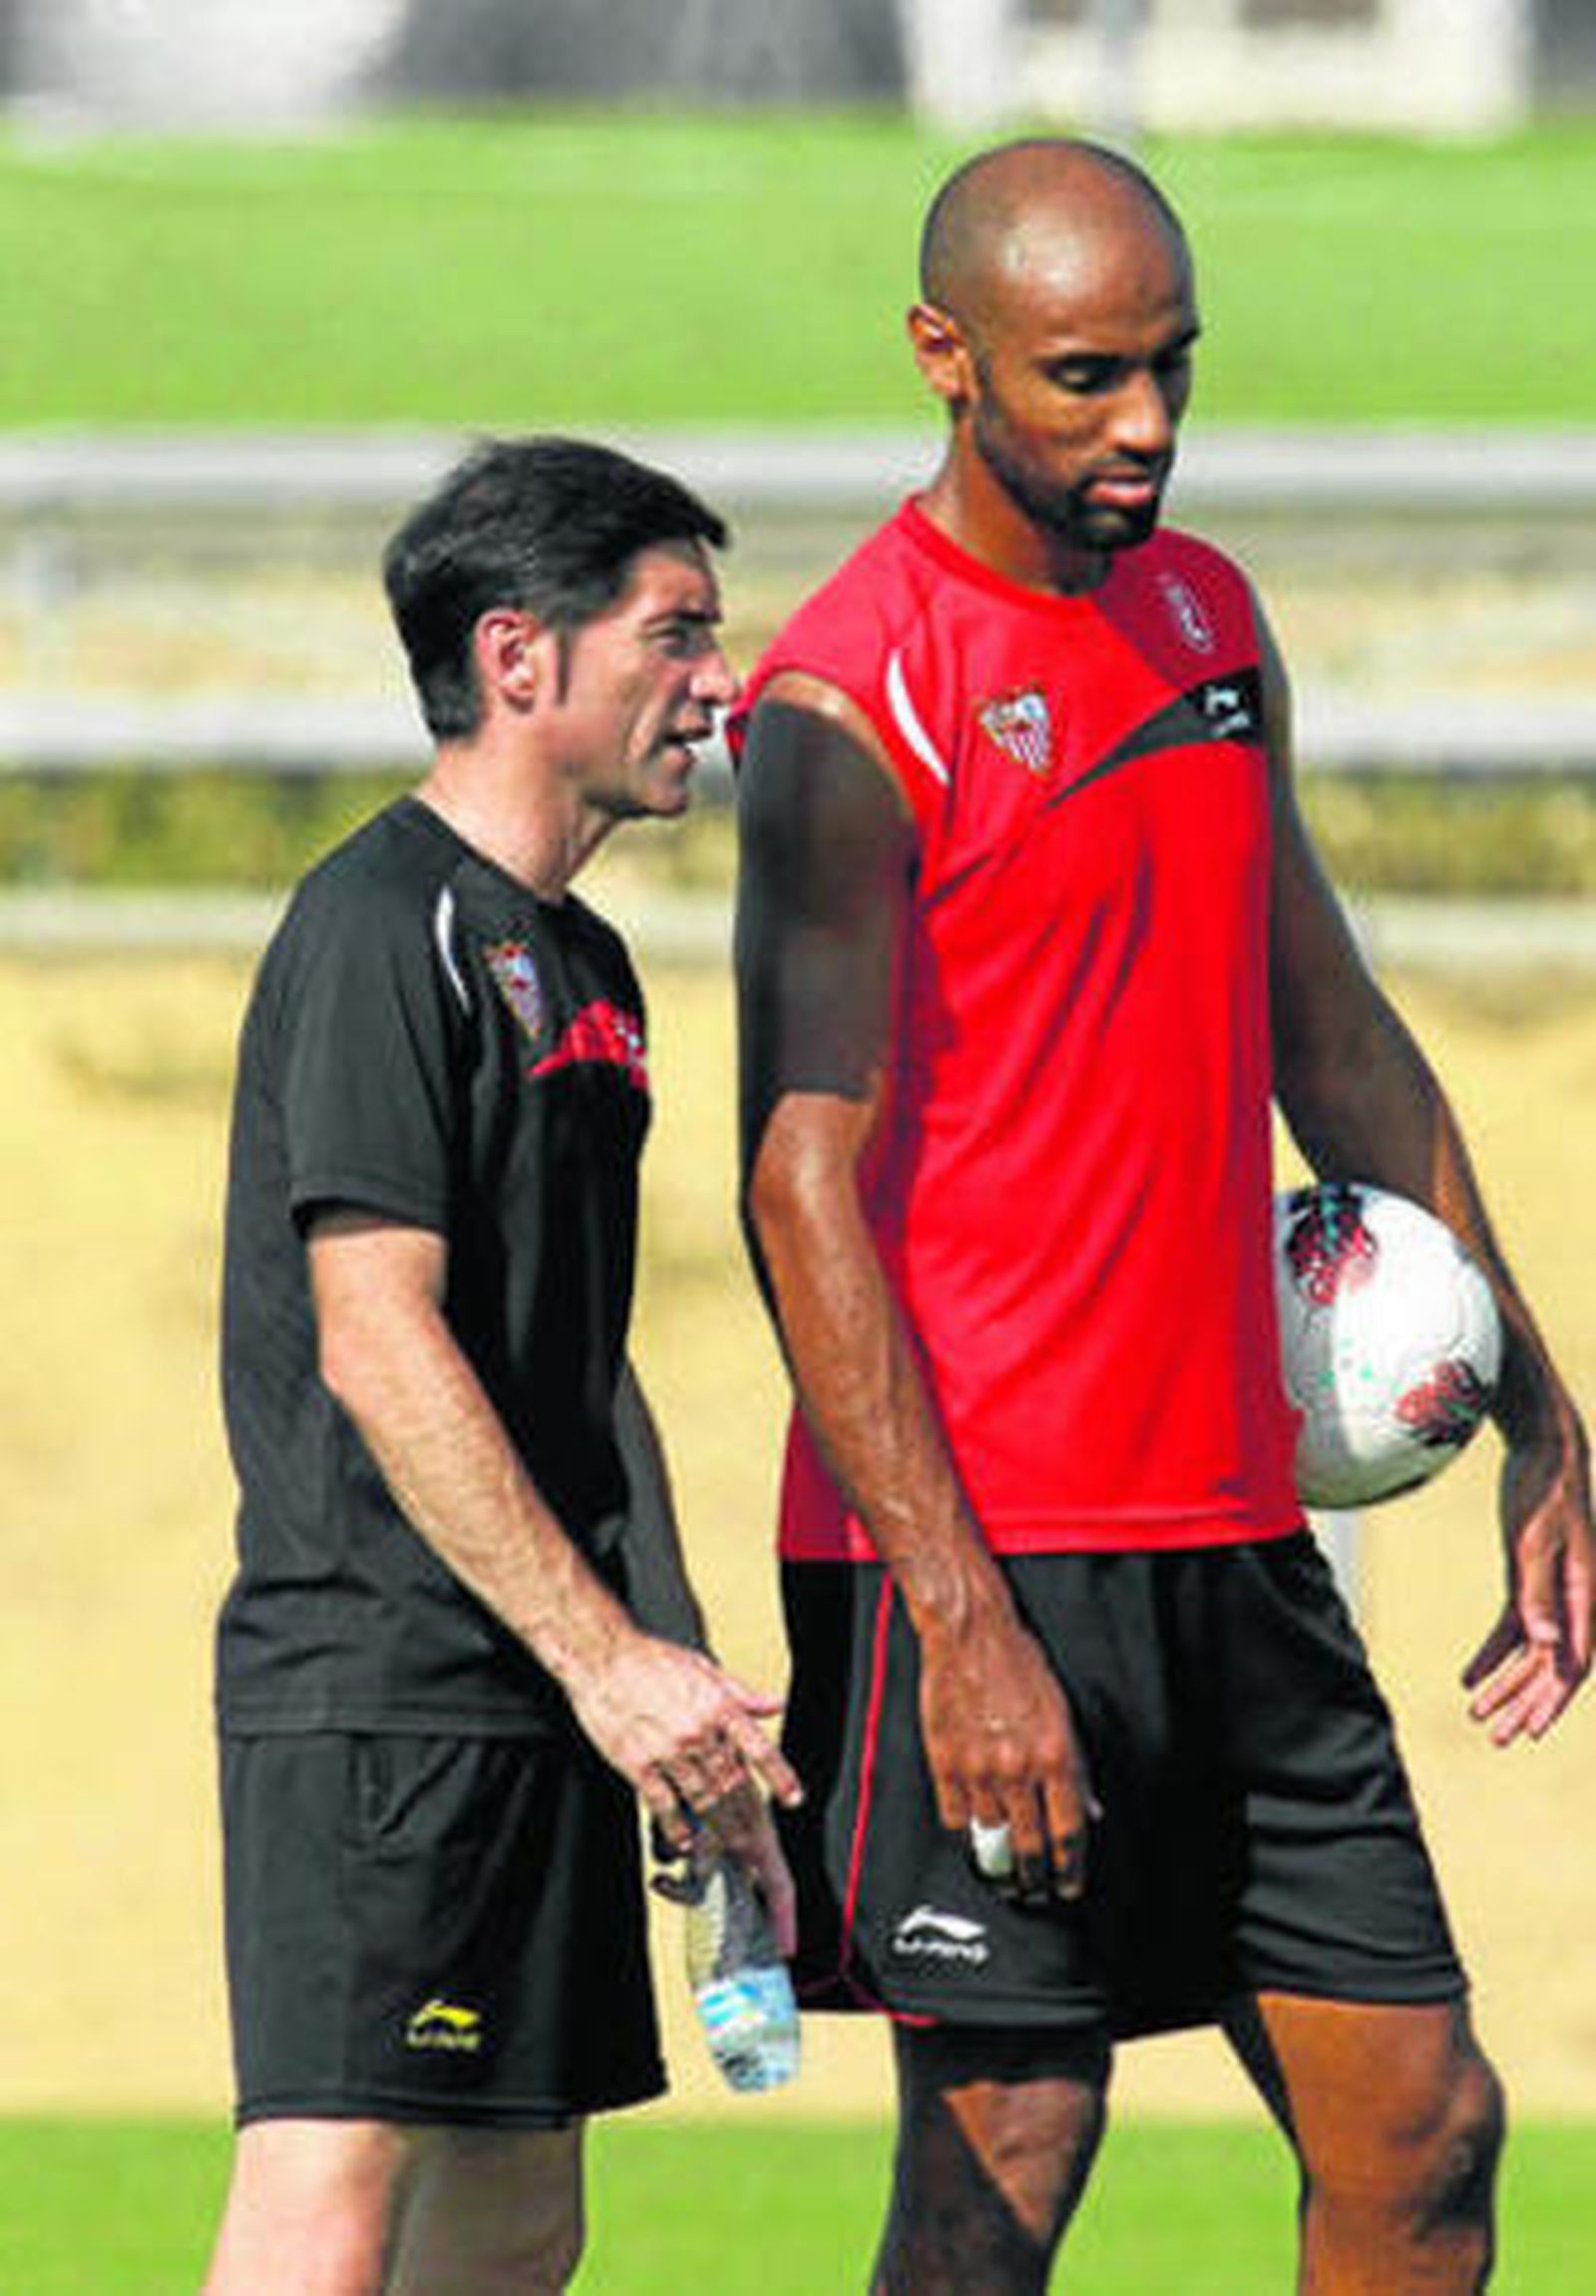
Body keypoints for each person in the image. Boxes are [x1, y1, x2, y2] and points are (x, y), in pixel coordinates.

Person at [732, 139, 1594, 2295]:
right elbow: (795, 1178)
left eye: (1172, 368)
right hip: (979, 1553)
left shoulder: (1205, 619)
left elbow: (1337, 1035)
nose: (1146, 423)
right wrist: (961, 1621)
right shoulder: (848, 697)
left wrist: (1537, 1406)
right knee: (1008, 2153)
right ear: (943, 356)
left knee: (1422, 2131)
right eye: (1086, 375)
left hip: (1233, 1534)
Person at [204, 435, 799, 2296]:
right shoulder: (380, 927)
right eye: (676, 632)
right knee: (330, 2206)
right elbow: (377, 1334)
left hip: (546, 1690)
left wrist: (674, 1687)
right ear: (519, 655)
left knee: (522, 2220)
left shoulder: (590, 965)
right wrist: (607, 1662)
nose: (719, 679)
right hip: (381, 1692)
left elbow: (583, 1360)